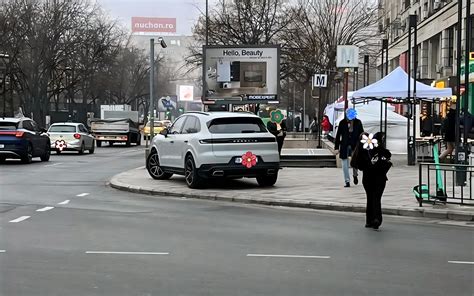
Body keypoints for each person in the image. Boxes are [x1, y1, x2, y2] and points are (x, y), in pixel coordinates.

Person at [351, 132, 392, 230]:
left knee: (370, 198)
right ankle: (376, 219)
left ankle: (369, 220)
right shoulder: (376, 148)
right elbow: (387, 155)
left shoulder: (360, 151)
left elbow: (356, 164)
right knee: (376, 198)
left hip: (367, 178)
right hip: (379, 177)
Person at [334, 108, 364, 187]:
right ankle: (347, 180)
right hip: (344, 145)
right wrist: (336, 147)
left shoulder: (358, 122)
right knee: (344, 163)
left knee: (355, 161)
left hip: (355, 145)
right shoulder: (342, 123)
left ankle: (355, 175)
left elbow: (362, 134)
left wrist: (362, 144)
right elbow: (338, 136)